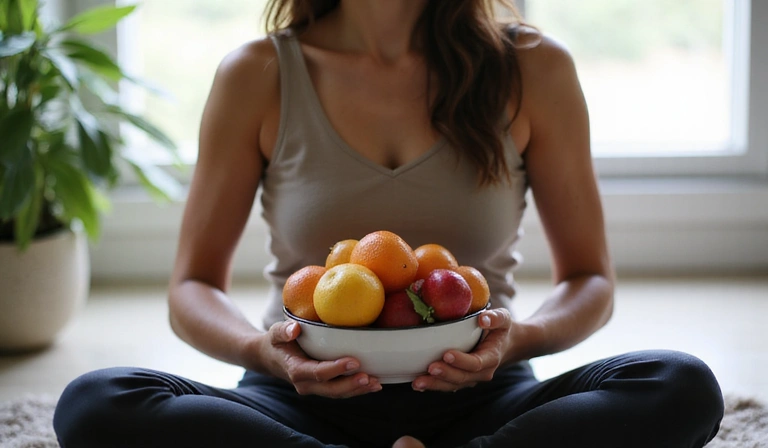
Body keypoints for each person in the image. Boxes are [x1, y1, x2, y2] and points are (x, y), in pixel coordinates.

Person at [53, 1, 725, 447]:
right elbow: (191, 287)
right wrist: (265, 354)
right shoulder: (257, 74)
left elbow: (590, 279)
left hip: (483, 397)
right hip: (299, 402)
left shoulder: (533, 68)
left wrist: (516, 340)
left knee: (681, 386)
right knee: (94, 403)